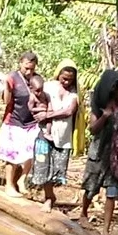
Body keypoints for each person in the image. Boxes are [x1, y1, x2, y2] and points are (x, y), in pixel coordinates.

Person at [80, 70, 118, 235]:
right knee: (91, 188)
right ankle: (83, 213)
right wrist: (104, 117)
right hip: (100, 154)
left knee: (112, 191)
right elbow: (92, 129)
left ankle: (105, 229)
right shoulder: (101, 107)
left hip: (117, 157)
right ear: (114, 91)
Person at [32, 60, 80, 209]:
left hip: (63, 136)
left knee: (57, 168)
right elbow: (37, 102)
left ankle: (50, 195)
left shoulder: (74, 92)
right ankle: (48, 196)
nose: (66, 82)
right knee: (43, 164)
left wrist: (48, 116)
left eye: (70, 79)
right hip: (44, 132)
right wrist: (42, 114)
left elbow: (69, 111)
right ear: (58, 74)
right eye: (64, 78)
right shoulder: (48, 87)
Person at [0, 51, 41, 190]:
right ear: (20, 63)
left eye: (32, 69)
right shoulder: (12, 78)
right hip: (14, 122)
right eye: (26, 68)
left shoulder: (37, 79)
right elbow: (6, 101)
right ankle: (9, 185)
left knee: (30, 152)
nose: (29, 72)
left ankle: (22, 179)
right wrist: (7, 87)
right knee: (12, 154)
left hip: (32, 123)